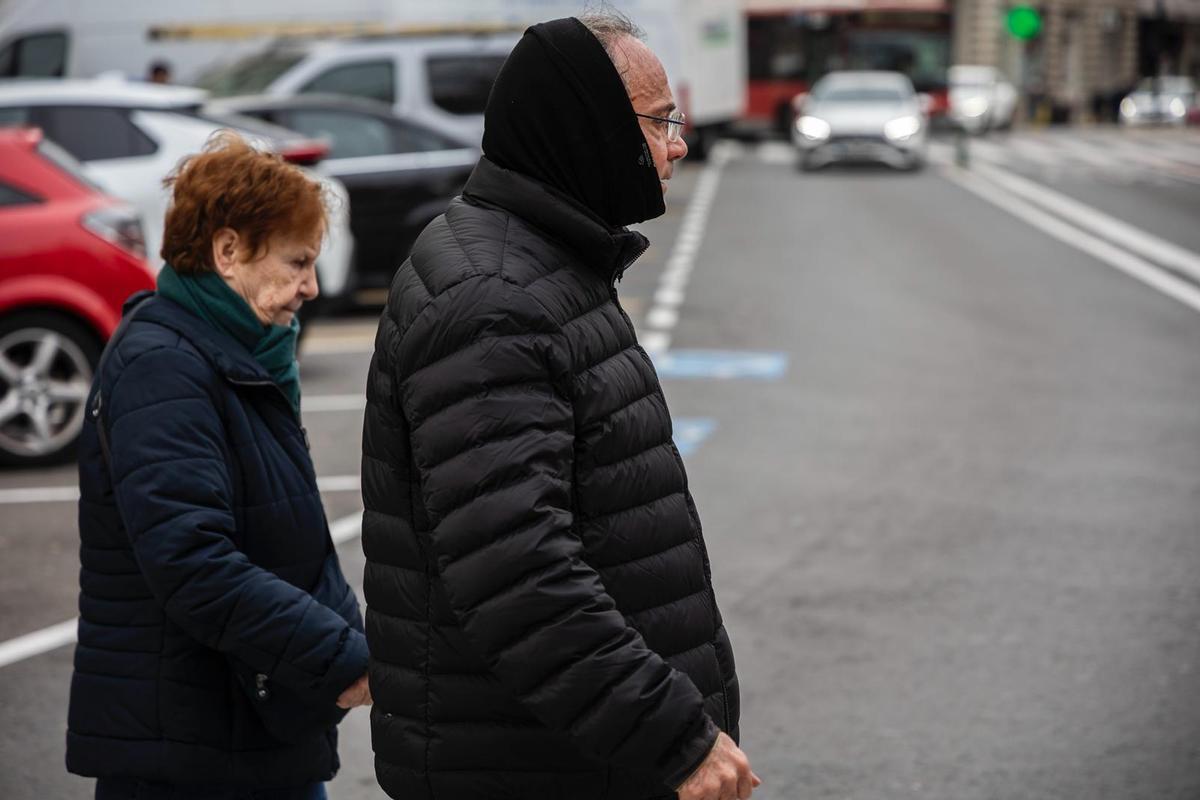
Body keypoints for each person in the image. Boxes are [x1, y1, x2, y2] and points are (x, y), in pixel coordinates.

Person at [360, 14, 759, 800]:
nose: (677, 144)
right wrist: (672, 736)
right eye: (660, 122)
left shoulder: (541, 264)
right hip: (534, 766)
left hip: (558, 753)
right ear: (587, 129)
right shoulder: (494, 301)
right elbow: (516, 571)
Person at [67, 131, 371, 800]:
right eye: (297, 262)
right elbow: (192, 561)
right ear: (228, 251)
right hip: (191, 756)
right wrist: (343, 657)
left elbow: (281, 540)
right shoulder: (164, 368)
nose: (311, 287)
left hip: (248, 732)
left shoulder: (232, 355)